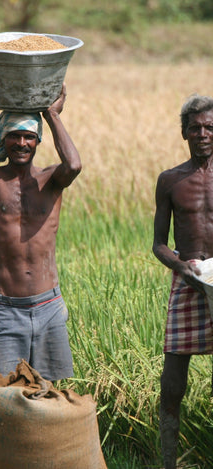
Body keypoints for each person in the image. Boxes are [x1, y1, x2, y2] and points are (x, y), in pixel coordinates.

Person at [0, 36, 81, 382]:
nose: (22, 143)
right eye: (14, 135)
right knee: (2, 399)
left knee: (51, 397)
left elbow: (74, 164)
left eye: (29, 136)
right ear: (3, 140)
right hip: (6, 311)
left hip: (49, 307)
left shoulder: (51, 180)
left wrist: (51, 115)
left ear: (38, 142)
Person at [152, 93, 213, 468]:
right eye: (195, 128)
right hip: (189, 279)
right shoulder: (170, 180)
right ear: (183, 134)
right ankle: (168, 461)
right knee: (173, 378)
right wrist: (180, 266)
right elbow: (159, 244)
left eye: (209, 128)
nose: (203, 134)